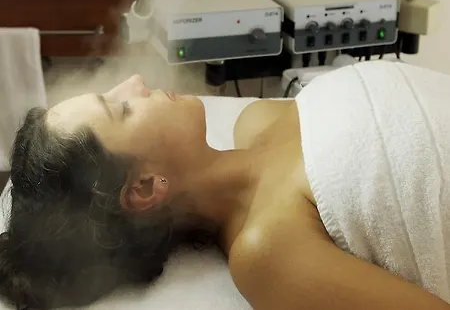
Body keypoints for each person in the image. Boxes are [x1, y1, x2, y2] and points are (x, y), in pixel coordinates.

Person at [1, 61, 450, 310]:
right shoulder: (265, 253)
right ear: (143, 188)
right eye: (122, 109)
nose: (135, 82)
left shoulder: (257, 120)